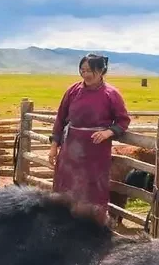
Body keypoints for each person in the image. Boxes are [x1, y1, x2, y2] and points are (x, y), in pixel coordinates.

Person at [49, 53, 132, 224]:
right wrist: (54, 145)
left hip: (96, 152)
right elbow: (60, 118)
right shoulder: (72, 91)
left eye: (90, 70)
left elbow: (123, 120)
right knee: (66, 185)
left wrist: (109, 132)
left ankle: (92, 227)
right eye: (83, 70)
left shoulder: (111, 94)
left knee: (93, 189)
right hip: (71, 149)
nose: (85, 74)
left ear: (101, 70)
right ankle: (63, 223)